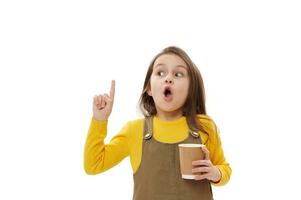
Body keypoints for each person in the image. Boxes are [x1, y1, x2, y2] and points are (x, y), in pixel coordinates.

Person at [84, 46, 232, 200]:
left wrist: (216, 173)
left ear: (190, 88)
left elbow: (225, 168)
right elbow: (93, 165)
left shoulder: (205, 126)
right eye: (160, 73)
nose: (168, 78)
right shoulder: (135, 130)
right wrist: (99, 120)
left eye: (178, 74)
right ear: (149, 88)